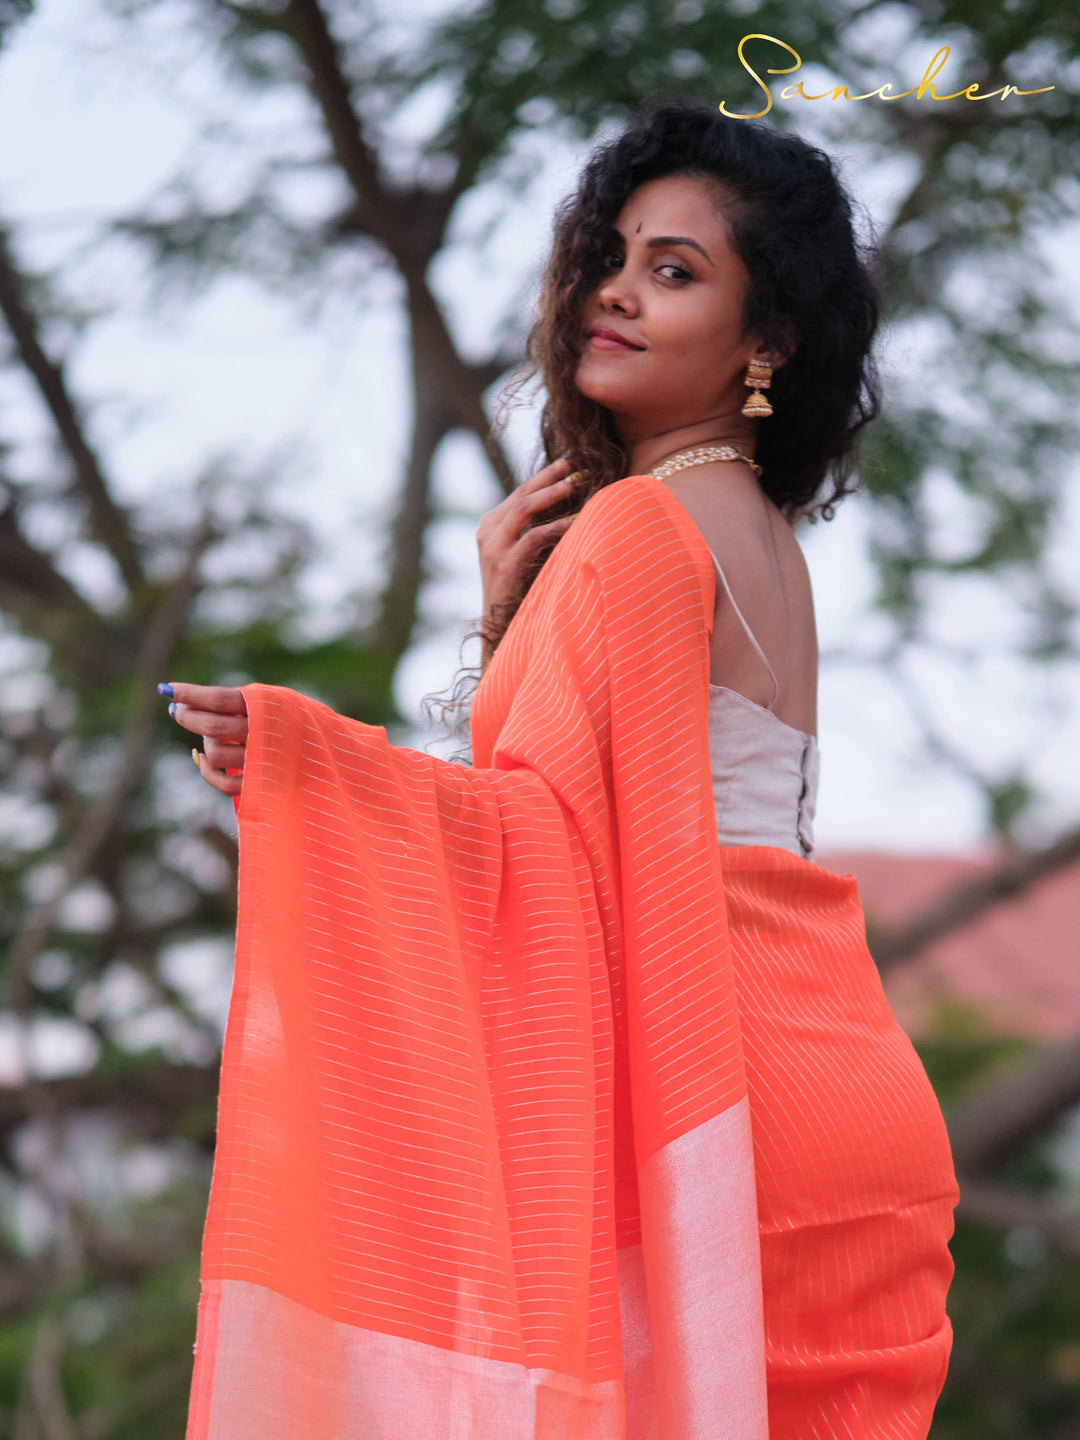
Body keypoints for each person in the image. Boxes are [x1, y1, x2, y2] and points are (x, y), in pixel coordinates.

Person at [162, 103, 959, 1440]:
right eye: (614, 255)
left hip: (731, 1108)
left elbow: (538, 841)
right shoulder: (762, 533)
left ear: (766, 343)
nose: (616, 293)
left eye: (676, 270)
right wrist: (505, 621)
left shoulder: (641, 529)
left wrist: (313, 766)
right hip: (843, 1086)